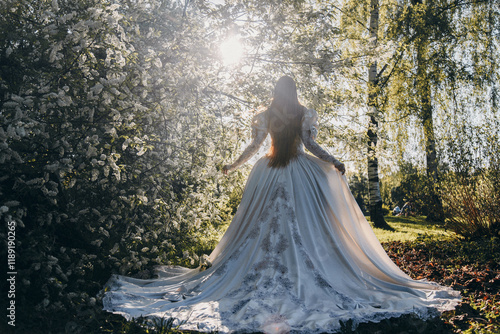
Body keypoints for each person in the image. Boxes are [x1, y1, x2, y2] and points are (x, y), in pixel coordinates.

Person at [102, 76, 460, 333]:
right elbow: (312, 147)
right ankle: (304, 267)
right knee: (305, 224)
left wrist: (233, 165)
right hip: (297, 171)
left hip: (270, 171)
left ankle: (262, 269)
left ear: (276, 92)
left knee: (261, 226)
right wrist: (334, 161)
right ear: (295, 92)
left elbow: (255, 148)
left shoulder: (266, 114)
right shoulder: (304, 112)